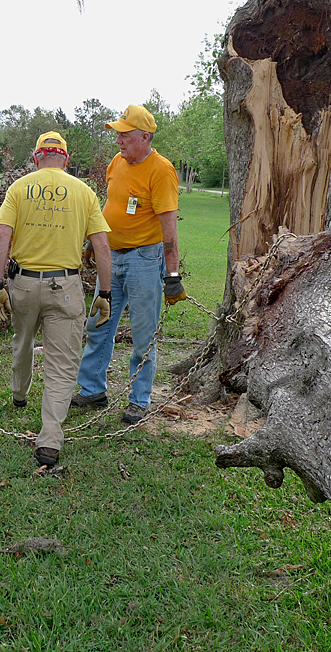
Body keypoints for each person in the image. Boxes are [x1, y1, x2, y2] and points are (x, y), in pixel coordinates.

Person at [0, 131, 112, 468]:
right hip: (67, 286)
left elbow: (1, 235)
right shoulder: (84, 192)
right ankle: (49, 442)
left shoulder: (19, 187)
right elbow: (101, 245)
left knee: (22, 341)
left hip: (24, 284)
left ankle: (18, 394)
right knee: (62, 364)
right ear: (66, 159)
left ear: (37, 157)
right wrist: (104, 292)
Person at [71, 104, 186, 424]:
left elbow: (169, 226)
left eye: (124, 135)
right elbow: (111, 206)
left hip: (144, 261)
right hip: (111, 259)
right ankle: (92, 389)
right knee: (98, 324)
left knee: (142, 333)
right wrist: (95, 242)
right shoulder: (117, 163)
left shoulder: (161, 170)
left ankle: (139, 398)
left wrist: (172, 272)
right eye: (117, 135)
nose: (118, 141)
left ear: (145, 137)